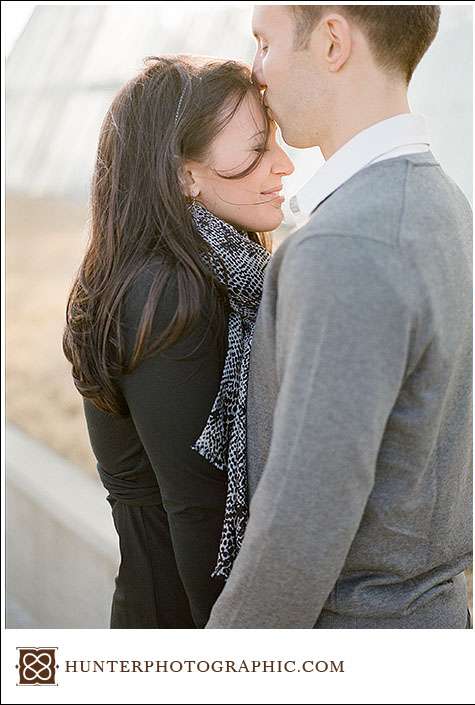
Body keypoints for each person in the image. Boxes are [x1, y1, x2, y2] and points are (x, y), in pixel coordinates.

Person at [206, 5, 473, 628]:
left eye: (264, 43)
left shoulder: (347, 242)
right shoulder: (443, 202)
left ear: (330, 41)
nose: (256, 70)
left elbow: (305, 513)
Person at [63, 55, 293, 627]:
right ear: (184, 175)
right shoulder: (166, 292)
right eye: (257, 150)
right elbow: (202, 516)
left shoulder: (213, 271)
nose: (285, 165)